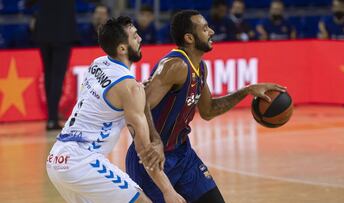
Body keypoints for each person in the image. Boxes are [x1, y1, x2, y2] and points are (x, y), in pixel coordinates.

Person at [126, 10, 286, 203]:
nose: (211, 31)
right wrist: (155, 140)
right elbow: (140, 103)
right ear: (189, 38)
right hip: (152, 159)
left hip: (183, 155)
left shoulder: (200, 67)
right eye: (204, 28)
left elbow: (208, 110)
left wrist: (247, 91)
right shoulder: (176, 66)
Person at [46, 16, 186, 203]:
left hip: (56, 159)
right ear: (122, 48)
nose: (140, 40)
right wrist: (168, 191)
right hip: (81, 161)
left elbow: (104, 102)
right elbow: (144, 150)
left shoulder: (98, 63)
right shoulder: (129, 88)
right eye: (135, 37)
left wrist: (135, 95)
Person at [26, 0, 78, 130]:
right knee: (57, 76)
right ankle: (52, 118)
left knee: (49, 74)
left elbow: (28, 3)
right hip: (63, 32)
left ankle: (51, 118)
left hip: (44, 32)